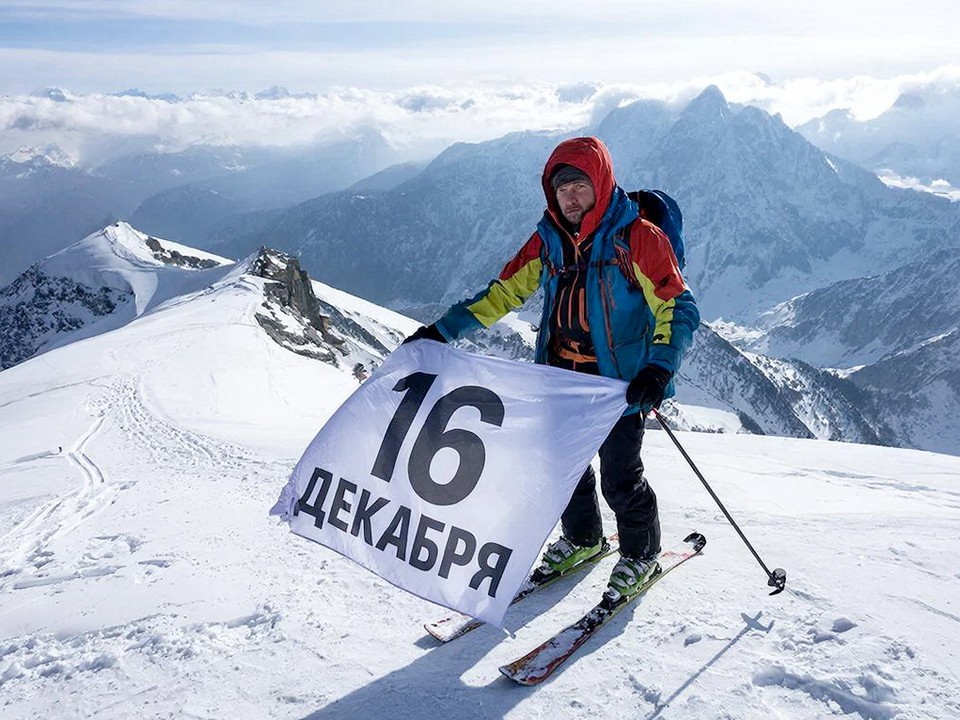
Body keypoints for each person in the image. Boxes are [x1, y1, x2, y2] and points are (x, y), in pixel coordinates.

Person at [403, 136, 699, 599]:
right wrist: (442, 332)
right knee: (562, 467)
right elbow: (501, 292)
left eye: (580, 186)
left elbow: (676, 305)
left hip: (617, 386)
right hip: (561, 378)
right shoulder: (550, 240)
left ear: (600, 184)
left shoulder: (638, 237)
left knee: (621, 476)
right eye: (562, 190)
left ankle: (641, 554)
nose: (571, 198)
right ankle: (583, 538)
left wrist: (659, 367)